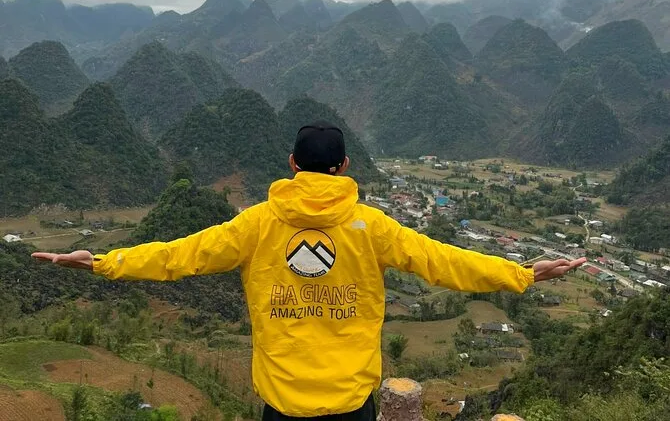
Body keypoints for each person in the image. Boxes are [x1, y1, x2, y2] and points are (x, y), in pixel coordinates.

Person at [33, 122, 586, 421]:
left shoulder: (256, 224)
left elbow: (180, 255)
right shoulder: (372, 227)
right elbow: (445, 263)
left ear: (293, 165)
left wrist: (105, 262)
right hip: (351, 401)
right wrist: (522, 274)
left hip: (283, 402)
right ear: (344, 167)